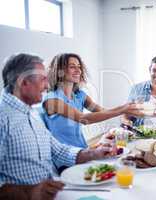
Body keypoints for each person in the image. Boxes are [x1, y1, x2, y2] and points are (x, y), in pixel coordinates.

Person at [0, 53, 120, 200]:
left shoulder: (31, 113)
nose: (46, 85)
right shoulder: (4, 118)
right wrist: (30, 192)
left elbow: (58, 151)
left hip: (54, 187)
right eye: (43, 79)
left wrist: (94, 152)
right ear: (23, 82)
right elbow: (84, 119)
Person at [43, 53, 141, 148]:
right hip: (63, 158)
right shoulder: (52, 100)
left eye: (79, 67)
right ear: (60, 71)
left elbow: (103, 112)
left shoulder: (80, 96)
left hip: (81, 150)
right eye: (72, 67)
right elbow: (84, 119)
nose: (78, 71)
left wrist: (128, 111)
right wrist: (122, 109)